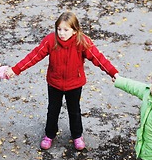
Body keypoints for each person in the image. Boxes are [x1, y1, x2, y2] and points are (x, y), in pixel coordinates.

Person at [6, 11, 118, 151]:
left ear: (74, 30)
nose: (62, 33)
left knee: (74, 110)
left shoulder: (82, 41)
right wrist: (16, 69)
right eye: (59, 29)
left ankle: (77, 135)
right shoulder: (50, 41)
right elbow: (33, 56)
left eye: (66, 30)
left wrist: (113, 72)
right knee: (53, 110)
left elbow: (98, 58)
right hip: (55, 83)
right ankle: (49, 134)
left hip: (74, 84)